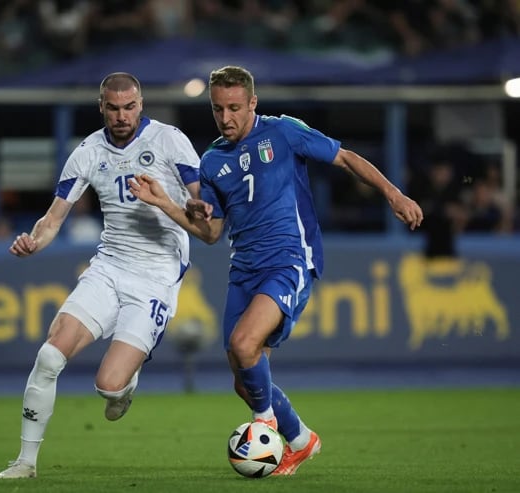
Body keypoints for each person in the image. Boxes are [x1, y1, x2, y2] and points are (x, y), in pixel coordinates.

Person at [129, 65, 423, 476]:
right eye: (218, 109)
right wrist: (165, 203)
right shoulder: (212, 162)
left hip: (289, 259)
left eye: (234, 107)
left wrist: (393, 193)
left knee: (245, 343)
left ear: (253, 102)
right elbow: (211, 232)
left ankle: (265, 425)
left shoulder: (283, 132)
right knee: (242, 378)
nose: (226, 118)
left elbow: (346, 158)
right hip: (243, 269)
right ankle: (302, 440)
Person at [0, 72, 201, 479]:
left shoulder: (169, 140)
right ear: (101, 107)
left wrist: (191, 209)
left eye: (129, 107)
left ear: (140, 105)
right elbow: (53, 218)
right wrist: (34, 241)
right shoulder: (88, 151)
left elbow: (201, 201)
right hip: (109, 267)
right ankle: (26, 462)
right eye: (113, 108)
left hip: (156, 277)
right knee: (50, 355)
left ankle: (125, 383)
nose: (122, 116)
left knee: (108, 385)